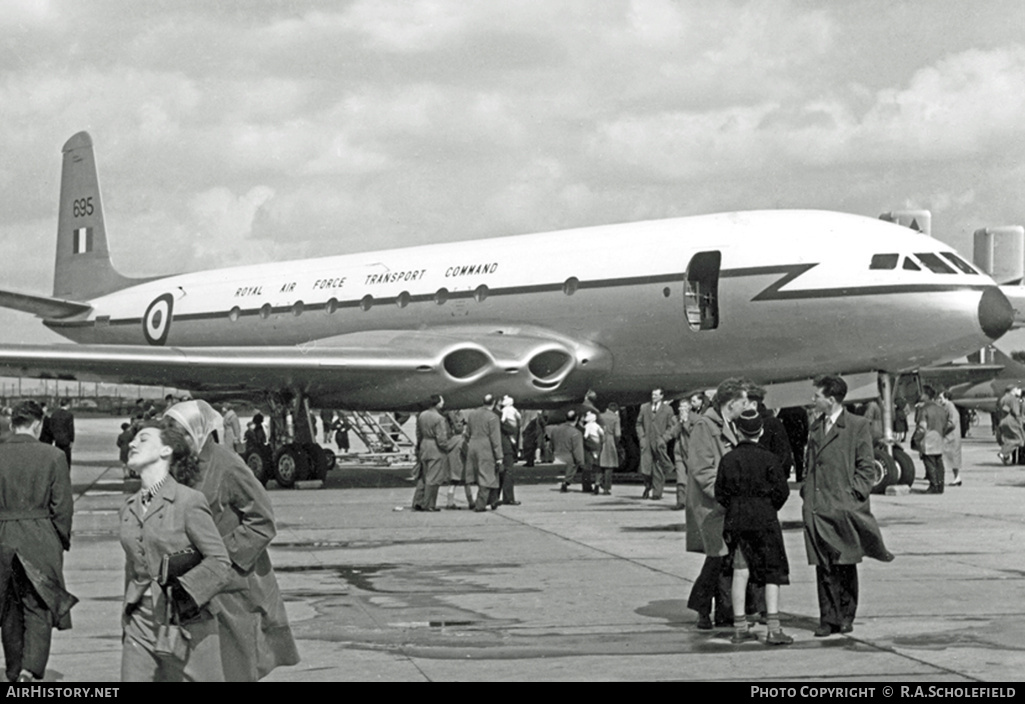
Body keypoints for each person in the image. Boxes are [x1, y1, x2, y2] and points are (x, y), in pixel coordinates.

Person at [163, 400, 300, 681]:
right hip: (189, 586)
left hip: (230, 589)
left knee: (234, 668)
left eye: (182, 436)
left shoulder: (226, 464)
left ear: (197, 432)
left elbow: (262, 521)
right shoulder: (175, 467)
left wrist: (219, 557)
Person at [119, 423, 232, 682]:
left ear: (166, 450)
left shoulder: (188, 501)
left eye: (143, 439)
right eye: (132, 440)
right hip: (140, 621)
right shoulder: (128, 507)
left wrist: (186, 590)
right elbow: (133, 568)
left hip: (188, 621)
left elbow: (220, 562)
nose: (132, 444)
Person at [803, 375, 894, 637]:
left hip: (843, 506)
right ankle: (827, 618)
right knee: (824, 564)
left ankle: (845, 615)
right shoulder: (815, 426)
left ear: (830, 400)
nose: (813, 400)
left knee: (845, 561)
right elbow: (810, 464)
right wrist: (808, 496)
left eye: (817, 396)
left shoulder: (856, 425)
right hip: (818, 506)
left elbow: (866, 466)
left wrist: (852, 496)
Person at [0, 401, 75, 682]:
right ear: (38, 425)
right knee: (39, 606)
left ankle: (13, 670)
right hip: (40, 537)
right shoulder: (54, 456)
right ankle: (30, 670)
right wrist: (59, 541)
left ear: (12, 425)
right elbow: (62, 508)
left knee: (9, 609)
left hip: (3, 537)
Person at [715, 409, 792, 646]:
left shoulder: (728, 459)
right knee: (772, 572)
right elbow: (782, 492)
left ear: (738, 431)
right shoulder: (770, 459)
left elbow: (720, 493)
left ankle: (739, 628)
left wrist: (737, 506)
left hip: (737, 520)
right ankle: (773, 629)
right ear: (760, 431)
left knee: (740, 571)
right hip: (765, 519)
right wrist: (768, 507)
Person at [686, 377, 751, 629]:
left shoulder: (729, 424)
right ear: (731, 403)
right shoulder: (705, 426)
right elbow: (702, 470)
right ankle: (702, 608)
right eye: (743, 402)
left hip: (725, 504)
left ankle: (719, 611)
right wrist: (726, 495)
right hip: (712, 505)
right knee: (717, 558)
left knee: (723, 559)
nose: (746, 407)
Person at [412, 395, 460, 512]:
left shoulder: (422, 415)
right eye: (442, 401)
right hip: (435, 448)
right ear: (438, 404)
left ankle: (418, 501)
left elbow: (418, 433)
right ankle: (429, 504)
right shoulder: (439, 418)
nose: (443, 403)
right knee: (434, 478)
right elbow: (441, 438)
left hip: (424, 445)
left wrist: (419, 446)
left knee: (424, 476)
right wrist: (447, 448)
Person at [636, 388, 677, 500]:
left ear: (661, 396)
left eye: (656, 395)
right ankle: (647, 485)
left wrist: (664, 439)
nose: (653, 397)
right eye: (652, 395)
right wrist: (642, 438)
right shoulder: (644, 408)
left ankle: (657, 493)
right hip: (647, 441)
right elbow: (639, 424)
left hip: (659, 442)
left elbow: (671, 426)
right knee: (645, 467)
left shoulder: (668, 409)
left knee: (658, 467)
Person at [464, 395, 503, 512]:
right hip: (486, 447)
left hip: (473, 445)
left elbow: (467, 434)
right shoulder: (493, 417)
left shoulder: (472, 414)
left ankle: (493, 500)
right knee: (487, 475)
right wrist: (499, 456)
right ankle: (481, 504)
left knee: (480, 474)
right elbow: (495, 438)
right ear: (494, 403)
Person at [913, 386, 949, 494]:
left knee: (930, 464)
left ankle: (933, 486)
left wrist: (916, 439)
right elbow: (946, 425)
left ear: (926, 395)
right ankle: (940, 485)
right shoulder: (941, 409)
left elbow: (922, 427)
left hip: (928, 440)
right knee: (939, 464)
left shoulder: (924, 409)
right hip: (939, 438)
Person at [443, 409, 474, 510]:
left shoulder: (450, 441)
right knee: (467, 485)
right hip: (462, 467)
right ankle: (471, 502)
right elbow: (467, 453)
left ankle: (449, 503)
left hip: (452, 466)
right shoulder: (462, 441)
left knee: (452, 485)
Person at [552, 410, 586, 493]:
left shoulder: (555, 429)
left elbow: (551, 444)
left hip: (556, 455)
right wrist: (581, 462)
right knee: (574, 463)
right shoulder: (576, 433)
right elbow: (577, 450)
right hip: (568, 458)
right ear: (577, 418)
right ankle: (566, 481)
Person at [499, 396, 522, 506]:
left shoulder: (501, 412)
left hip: (503, 446)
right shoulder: (503, 415)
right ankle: (508, 498)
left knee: (501, 472)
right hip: (506, 446)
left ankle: (495, 497)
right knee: (508, 471)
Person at [938, 390, 963, 486]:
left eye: (941, 398)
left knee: (950, 457)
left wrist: (942, 429)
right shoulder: (947, 406)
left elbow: (952, 422)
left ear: (946, 398)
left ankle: (955, 478)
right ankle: (956, 478)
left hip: (951, 437)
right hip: (950, 436)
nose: (939, 400)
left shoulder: (950, 407)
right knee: (952, 458)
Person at [598, 403, 622, 495]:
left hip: (599, 439)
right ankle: (606, 488)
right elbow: (618, 434)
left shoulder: (600, 416)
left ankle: (597, 483)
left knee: (599, 464)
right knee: (609, 465)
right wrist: (616, 442)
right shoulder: (615, 418)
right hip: (610, 440)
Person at [996, 385, 1022, 464]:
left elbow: (1002, 409)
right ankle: (1004, 453)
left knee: (1009, 439)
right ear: (1013, 390)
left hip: (1002, 420)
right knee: (1019, 439)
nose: (1018, 390)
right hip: (1010, 420)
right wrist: (1019, 421)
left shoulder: (1002, 398)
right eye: (1017, 389)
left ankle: (1006, 457)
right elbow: (1015, 412)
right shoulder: (1012, 399)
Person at [47, 400, 75, 471]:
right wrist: (72, 440)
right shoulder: (69, 415)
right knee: (67, 459)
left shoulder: (54, 414)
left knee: (58, 457)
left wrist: (53, 436)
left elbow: (51, 427)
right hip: (66, 440)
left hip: (57, 439)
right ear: (68, 405)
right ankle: (66, 473)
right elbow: (71, 429)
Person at [582, 411, 604, 494]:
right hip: (597, 444)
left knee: (589, 464)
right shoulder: (597, 426)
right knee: (598, 463)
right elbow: (602, 433)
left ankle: (589, 485)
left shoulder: (587, 426)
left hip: (591, 444)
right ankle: (598, 483)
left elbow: (585, 435)